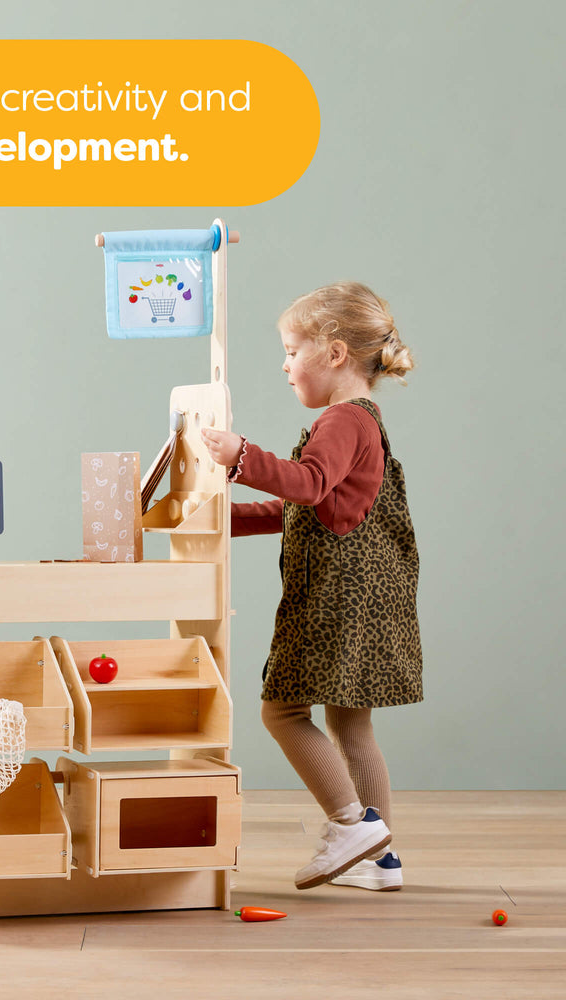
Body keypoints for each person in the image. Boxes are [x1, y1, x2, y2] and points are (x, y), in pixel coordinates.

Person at [202, 281, 422, 892]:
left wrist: (239, 455)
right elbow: (303, 508)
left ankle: (350, 822)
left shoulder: (343, 421)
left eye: (292, 349)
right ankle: (379, 858)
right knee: (352, 728)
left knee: (282, 710)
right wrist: (219, 520)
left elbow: (306, 483)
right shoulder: (364, 423)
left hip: (336, 603)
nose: (284, 363)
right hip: (371, 603)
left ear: (333, 354)